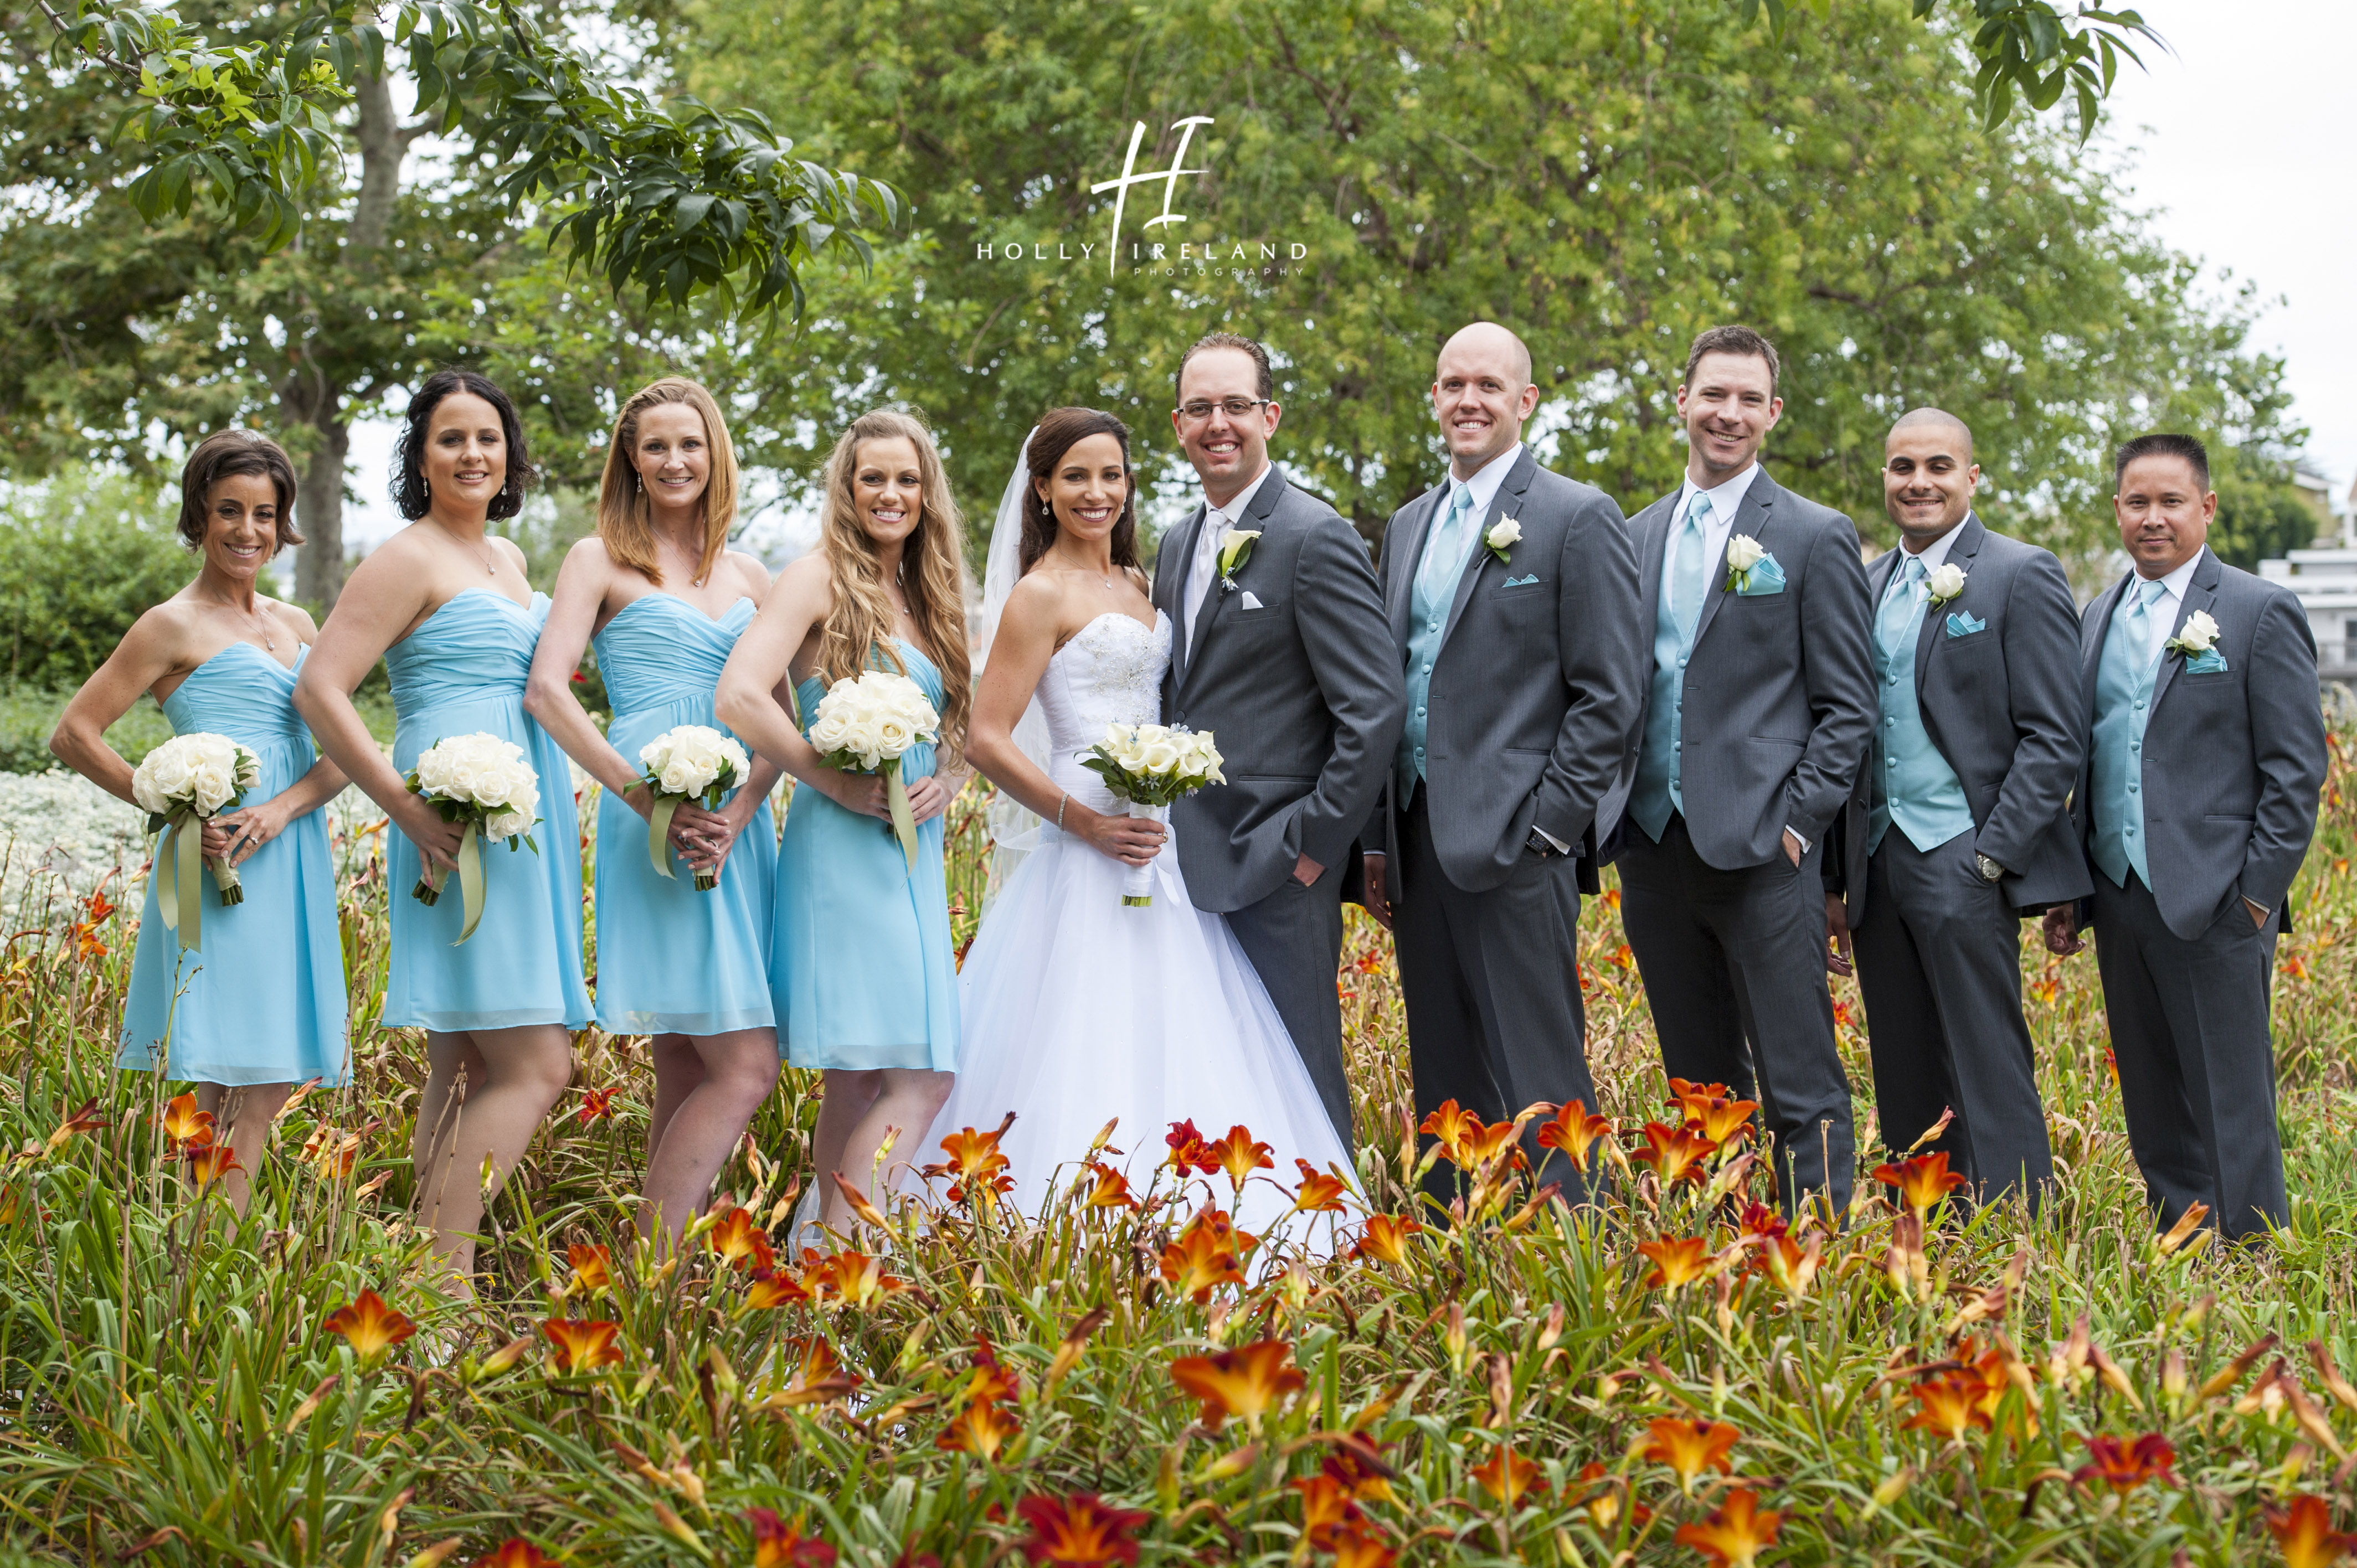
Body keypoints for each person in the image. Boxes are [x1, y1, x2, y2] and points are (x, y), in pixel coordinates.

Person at [918, 407, 1354, 1240]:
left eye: (1111, 474)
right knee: (1085, 1026)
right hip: (1085, 845)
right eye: (1075, 476)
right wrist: (1084, 821)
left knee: (1183, 1025)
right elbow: (984, 737)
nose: (1096, 492)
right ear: (1042, 490)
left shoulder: (1144, 585)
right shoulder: (1037, 595)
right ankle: (1065, 1224)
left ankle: (1195, 1210)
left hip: (1165, 845)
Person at [294, 369, 591, 1291]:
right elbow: (320, 688)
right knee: (541, 1064)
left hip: (516, 811)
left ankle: (413, 1277)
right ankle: (442, 1280)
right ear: (421, 460)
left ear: (509, 457)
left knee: (463, 1059)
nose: (472, 454)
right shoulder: (407, 558)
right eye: (451, 439)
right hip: (453, 821)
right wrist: (408, 808)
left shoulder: (506, 562)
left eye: (487, 438)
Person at [1359, 323, 1644, 1205]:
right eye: (1452, 384)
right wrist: (1377, 838)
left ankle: (1572, 1248)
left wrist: (1551, 827)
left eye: (1489, 385)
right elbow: (1387, 687)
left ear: (1525, 401)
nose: (1468, 400)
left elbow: (1612, 693)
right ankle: (1459, 1242)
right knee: (1443, 1064)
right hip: (1415, 836)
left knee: (1541, 1065)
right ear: (1435, 398)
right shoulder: (1407, 524)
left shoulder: (1576, 515)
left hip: (1521, 840)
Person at [1594, 325, 1875, 1216]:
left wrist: (1797, 825)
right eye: (1714, 394)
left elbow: (1848, 707)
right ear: (1682, 401)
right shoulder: (1632, 536)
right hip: (1653, 844)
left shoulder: (1813, 534)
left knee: (1800, 1078)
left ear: (1773, 413)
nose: (1729, 413)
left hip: (1764, 851)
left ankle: (1819, 1260)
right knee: (1699, 1081)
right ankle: (1726, 1248)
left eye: (1749, 398)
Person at [51, 430, 349, 1213]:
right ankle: (212, 1243)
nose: (247, 530)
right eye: (228, 511)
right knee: (228, 1057)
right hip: (215, 864)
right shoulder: (170, 625)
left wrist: (283, 809)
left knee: (273, 1061)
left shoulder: (299, 625)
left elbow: (342, 757)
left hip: (290, 855)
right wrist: (173, 807)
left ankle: (201, 1242)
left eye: (264, 512)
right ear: (199, 515)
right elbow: (75, 734)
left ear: (283, 521)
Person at [2044, 433, 2327, 1242]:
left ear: (2205, 508)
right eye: (2138, 502)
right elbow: (2090, 760)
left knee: (2230, 1098)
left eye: (2172, 502)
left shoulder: (2256, 610)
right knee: (2153, 1094)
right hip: (2120, 893)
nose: (2153, 518)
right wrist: (2073, 886)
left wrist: (2254, 897)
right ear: (2118, 510)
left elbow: (2296, 769)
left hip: (2219, 901)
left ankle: (2252, 1258)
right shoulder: (2097, 613)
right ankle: (2183, 1243)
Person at [524, 377, 783, 1244]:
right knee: (746, 1065)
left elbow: (782, 712)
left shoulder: (750, 572)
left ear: (716, 456)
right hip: (652, 814)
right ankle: (654, 1260)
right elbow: (547, 692)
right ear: (630, 461)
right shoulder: (596, 557)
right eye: (657, 446)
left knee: (688, 1055)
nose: (675, 460)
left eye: (691, 444)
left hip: (738, 825)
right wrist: (639, 797)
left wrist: (744, 810)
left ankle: (658, 1288)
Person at [1147, 332, 1405, 1151]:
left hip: (1277, 859)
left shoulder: (1313, 535)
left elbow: (1374, 710)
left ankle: (1327, 1238)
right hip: (1181, 864)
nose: (1217, 424)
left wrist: (1313, 847)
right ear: (1178, 424)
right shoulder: (1177, 541)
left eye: (1234, 406)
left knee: (1297, 1064)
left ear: (1270, 416)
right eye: (1200, 409)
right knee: (1213, 1064)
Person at [1823, 409, 2086, 1209]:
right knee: (1902, 1059)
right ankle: (1927, 1229)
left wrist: (1993, 851)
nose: (1920, 482)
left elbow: (2055, 734)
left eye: (1939, 466)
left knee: (1987, 1056)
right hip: (1877, 863)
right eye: (1904, 468)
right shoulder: (1863, 584)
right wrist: (1837, 879)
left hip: (1963, 852)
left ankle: (2018, 1231)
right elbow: (1847, 736)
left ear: (1972, 478)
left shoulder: (2019, 571)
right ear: (1885, 481)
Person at [716, 409, 967, 1236]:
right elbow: (742, 694)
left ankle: (816, 1260)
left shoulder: (928, 592)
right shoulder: (817, 576)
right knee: (921, 1076)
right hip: (844, 847)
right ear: (847, 489)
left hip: (913, 845)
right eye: (873, 479)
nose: (890, 494)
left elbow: (962, 720)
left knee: (861, 1079)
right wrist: (824, 776)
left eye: (906, 479)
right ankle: (849, 1263)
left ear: (927, 491)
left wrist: (950, 781)